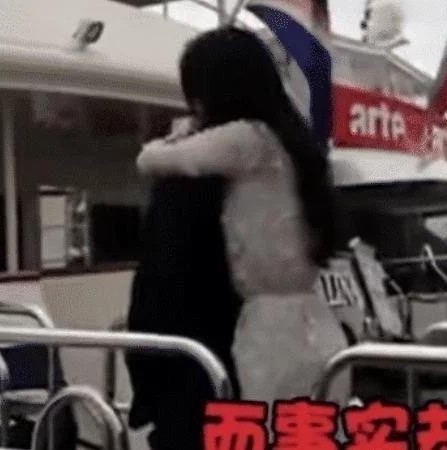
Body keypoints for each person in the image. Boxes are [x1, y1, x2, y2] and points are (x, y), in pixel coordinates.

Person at [137, 27, 350, 408]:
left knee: (263, 425)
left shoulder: (244, 140)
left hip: (266, 332)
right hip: (315, 323)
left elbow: (153, 160)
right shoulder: (296, 146)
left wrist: (177, 135)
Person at [125, 150, 242, 446]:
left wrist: (145, 390)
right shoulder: (282, 174)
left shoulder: (183, 184)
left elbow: (154, 293)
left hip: (191, 375)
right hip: (266, 360)